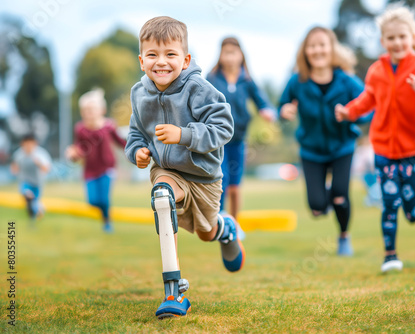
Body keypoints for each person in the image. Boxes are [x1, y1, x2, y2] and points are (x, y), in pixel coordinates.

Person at [125, 16, 244, 318]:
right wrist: (137, 151)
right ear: (141, 60)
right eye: (152, 55)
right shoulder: (139, 93)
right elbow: (136, 131)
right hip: (167, 171)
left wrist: (185, 135)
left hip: (204, 177)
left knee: (206, 232)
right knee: (161, 197)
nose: (160, 62)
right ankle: (174, 292)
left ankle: (225, 228)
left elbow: (224, 126)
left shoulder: (198, 88)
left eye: (170, 54)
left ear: (185, 58)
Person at [335, 4, 415, 273]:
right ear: (383, 41)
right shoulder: (377, 70)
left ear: (411, 37)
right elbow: (367, 99)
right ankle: (390, 255)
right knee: (388, 203)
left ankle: (414, 205)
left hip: (414, 148)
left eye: (402, 37)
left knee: (411, 210)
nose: (397, 42)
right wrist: (349, 112)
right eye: (391, 38)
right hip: (384, 148)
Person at [279, 26, 372, 256]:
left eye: (322, 44)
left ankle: (344, 237)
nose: (317, 50)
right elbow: (281, 105)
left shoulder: (347, 81)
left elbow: (370, 106)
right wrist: (285, 111)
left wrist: (351, 113)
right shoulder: (297, 81)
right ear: (306, 51)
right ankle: (322, 196)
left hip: (342, 147)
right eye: (312, 45)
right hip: (311, 150)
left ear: (331, 48)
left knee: (340, 195)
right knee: (317, 207)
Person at [207, 37, 275, 224]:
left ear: (241, 56)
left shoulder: (247, 81)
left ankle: (235, 225)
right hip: (217, 140)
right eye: (226, 53)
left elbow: (262, 101)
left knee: (235, 186)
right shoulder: (211, 79)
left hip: (238, 139)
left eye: (233, 53)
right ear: (220, 56)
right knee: (222, 181)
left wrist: (268, 112)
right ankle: (219, 221)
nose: (229, 57)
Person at [66, 89, 127, 233]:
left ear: (102, 110)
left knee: (104, 199)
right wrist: (74, 154)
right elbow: (80, 148)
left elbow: (119, 141)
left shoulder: (109, 126)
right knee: (92, 201)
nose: (89, 113)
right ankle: (105, 215)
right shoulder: (80, 129)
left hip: (107, 167)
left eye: (92, 109)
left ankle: (107, 221)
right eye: (85, 110)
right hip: (90, 170)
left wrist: (131, 150)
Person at [10, 134, 52, 220]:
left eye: (30, 143)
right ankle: (35, 212)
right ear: (22, 144)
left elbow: (47, 168)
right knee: (28, 196)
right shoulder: (19, 154)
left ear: (35, 143)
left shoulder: (40, 154)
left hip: (37, 183)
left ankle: (38, 212)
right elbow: (14, 166)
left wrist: (39, 163)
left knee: (33, 203)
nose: (28, 146)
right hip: (25, 181)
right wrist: (14, 169)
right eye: (26, 144)